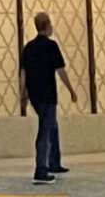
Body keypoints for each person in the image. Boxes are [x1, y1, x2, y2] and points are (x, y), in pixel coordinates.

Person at [18, 10, 77, 182]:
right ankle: (41, 169)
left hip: (35, 94)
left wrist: (23, 93)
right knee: (45, 129)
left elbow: (23, 72)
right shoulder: (51, 46)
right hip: (48, 94)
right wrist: (71, 90)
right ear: (47, 26)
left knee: (52, 126)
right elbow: (61, 71)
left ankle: (53, 161)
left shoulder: (28, 48)